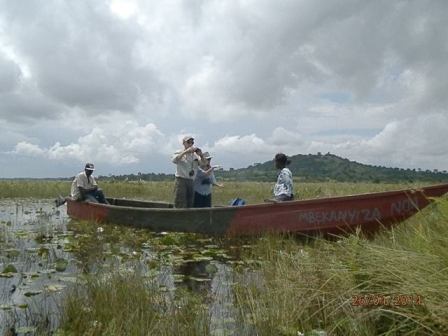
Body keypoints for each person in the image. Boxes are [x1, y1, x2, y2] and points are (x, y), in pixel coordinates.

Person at [172, 135, 207, 208]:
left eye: (192, 142)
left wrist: (201, 155)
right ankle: (178, 215)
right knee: (180, 200)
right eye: (188, 142)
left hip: (191, 180)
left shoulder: (195, 156)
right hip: (181, 179)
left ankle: (188, 216)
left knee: (190, 200)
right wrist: (185, 152)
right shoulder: (179, 152)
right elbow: (174, 160)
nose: (190, 144)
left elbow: (204, 165)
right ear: (183, 143)